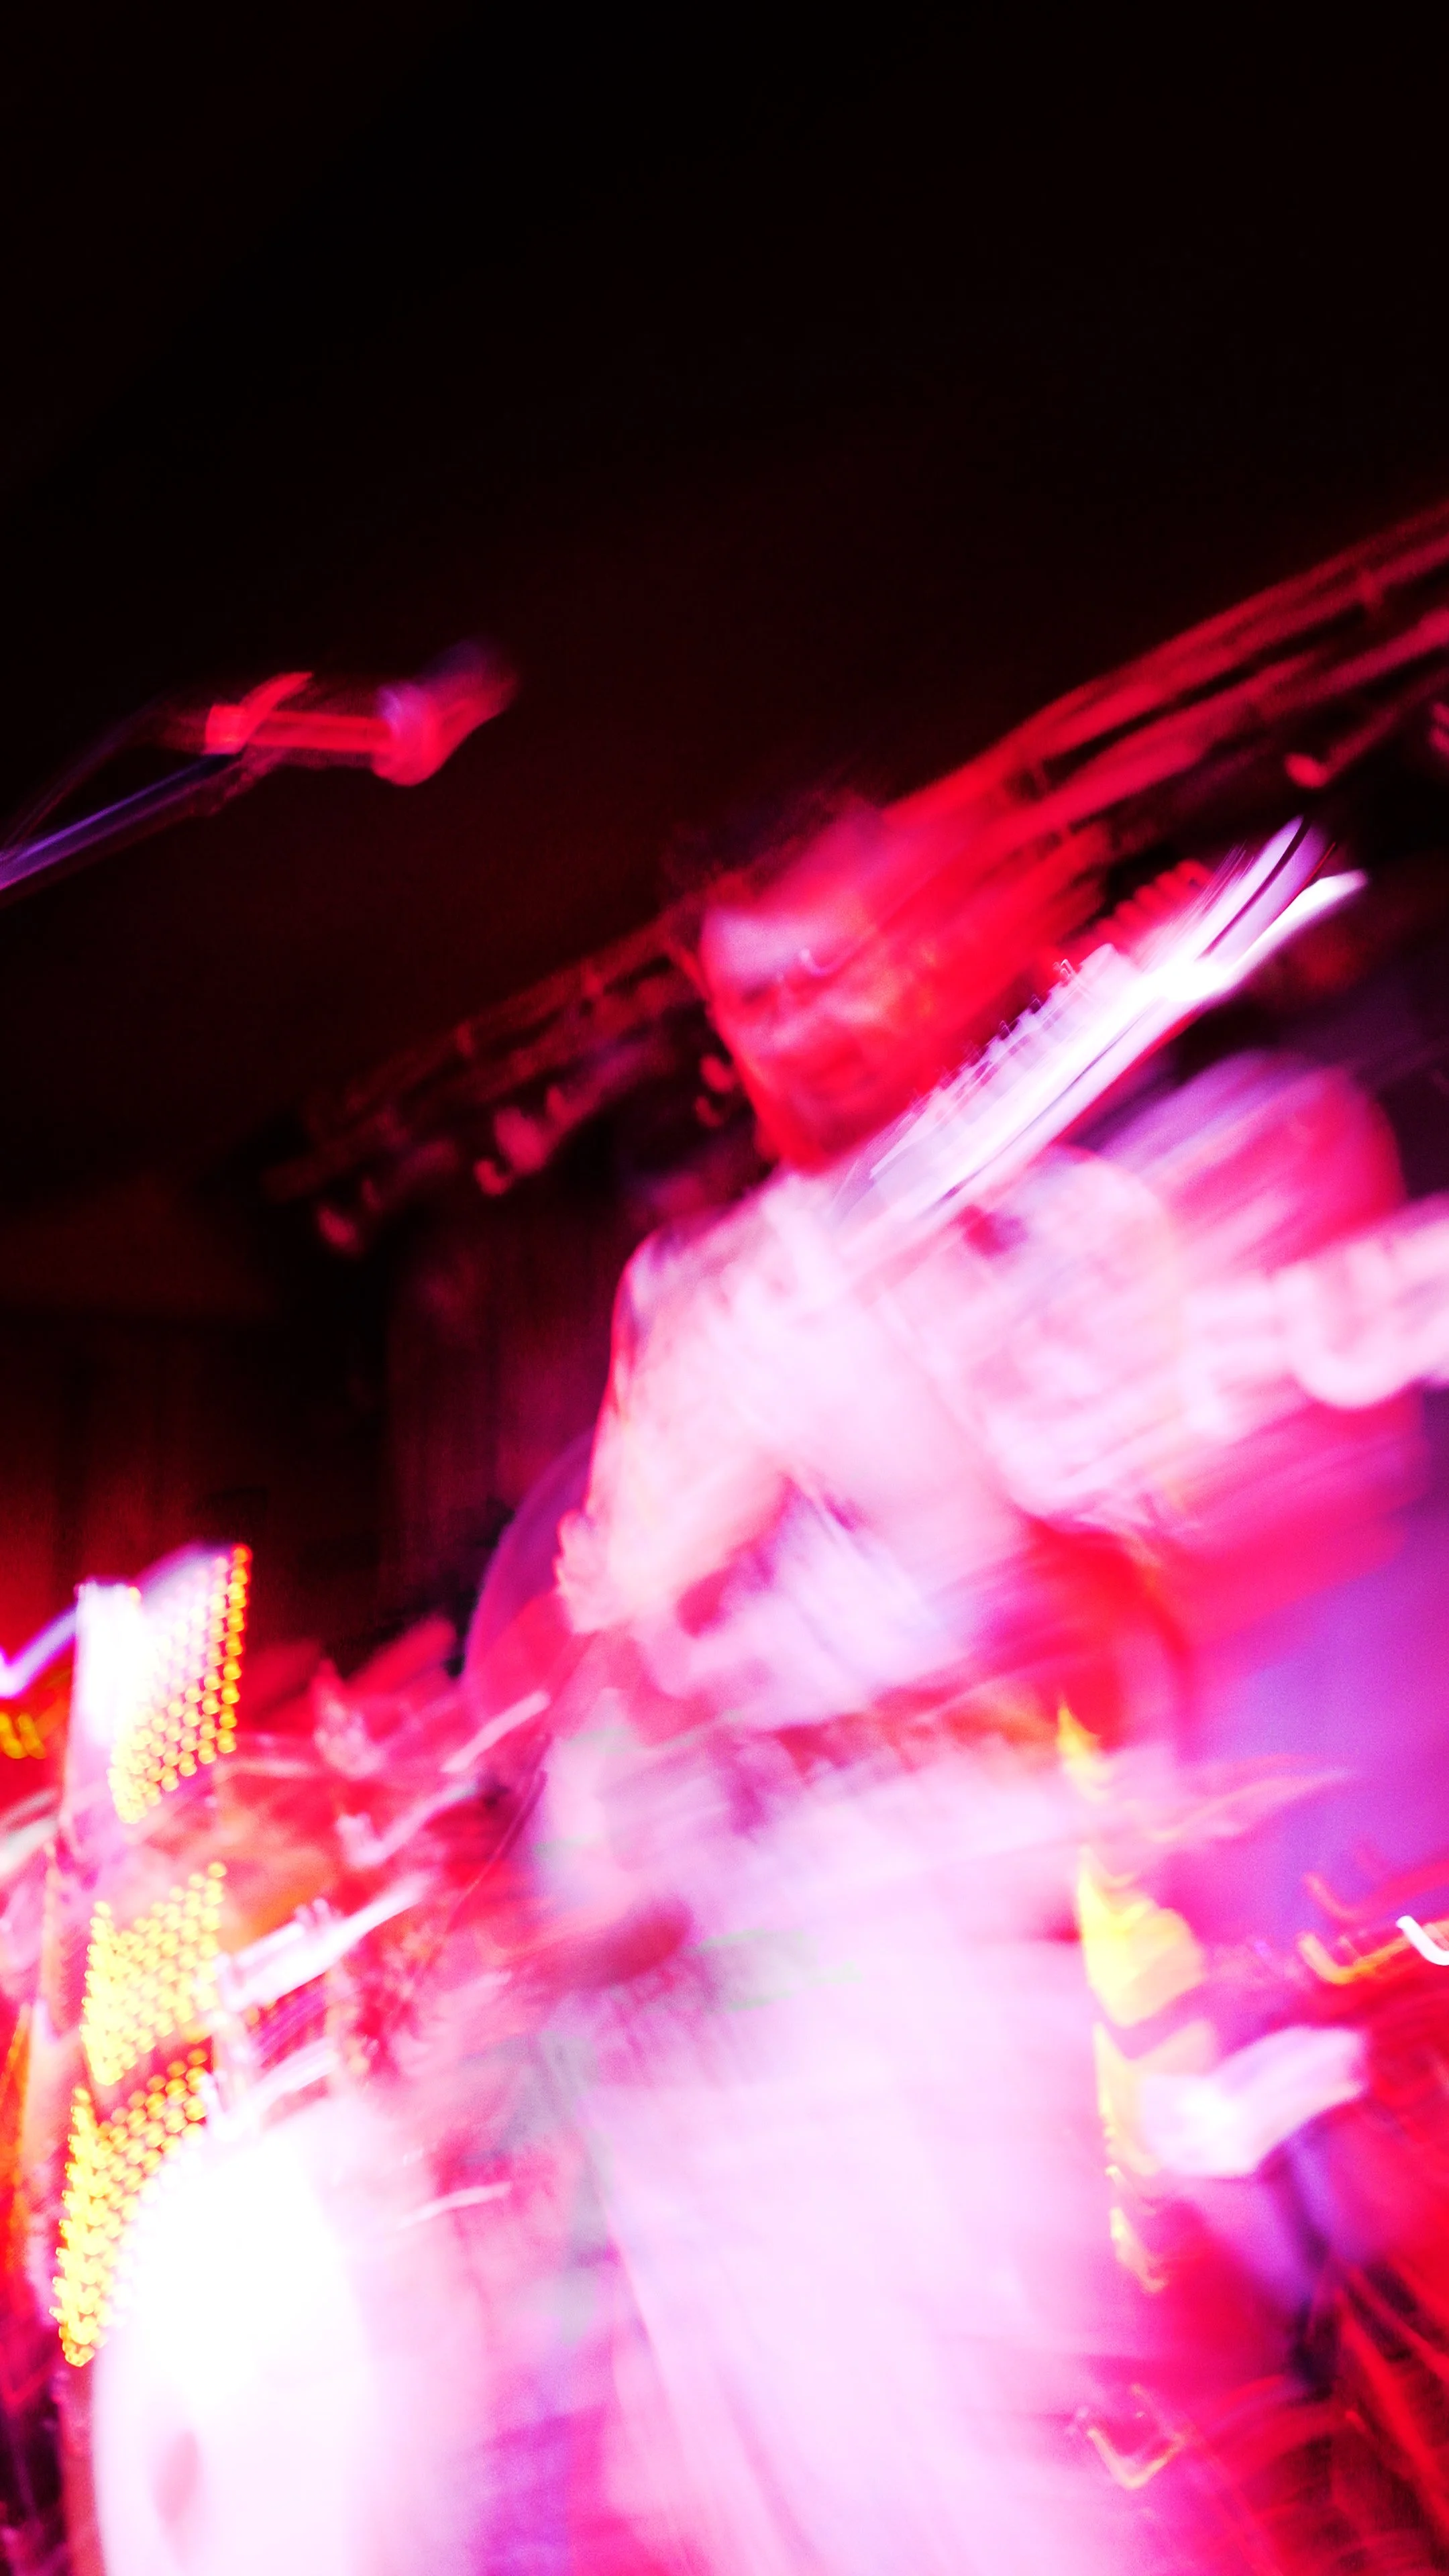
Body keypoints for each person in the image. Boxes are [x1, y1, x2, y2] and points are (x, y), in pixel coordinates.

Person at [472, 790, 1442, 2572]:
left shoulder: (1100, 1245)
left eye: (837, 973)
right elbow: (608, 1702)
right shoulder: (692, 1290)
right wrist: (630, 1666)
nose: (798, 1032)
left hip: (999, 2102)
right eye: (753, 1001)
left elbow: (1145, 1662)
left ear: (939, 961)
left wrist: (943, 1483)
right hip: (735, 2119)